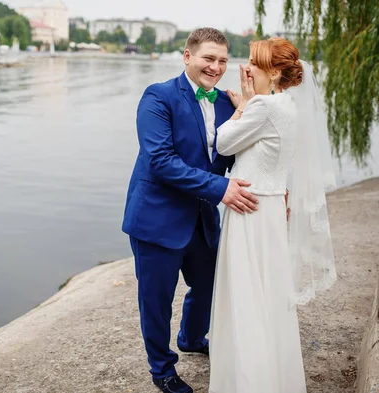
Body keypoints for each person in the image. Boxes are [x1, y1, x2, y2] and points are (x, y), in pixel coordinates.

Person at [122, 27, 259, 393]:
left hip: (202, 219)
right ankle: (162, 370)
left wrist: (272, 187)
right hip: (157, 218)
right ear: (187, 56)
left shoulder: (228, 104)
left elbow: (233, 159)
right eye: (208, 58)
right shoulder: (158, 97)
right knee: (156, 299)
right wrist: (221, 190)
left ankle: (192, 337)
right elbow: (160, 161)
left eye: (222, 61)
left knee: (210, 285)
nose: (215, 67)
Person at [209, 37, 336, 393]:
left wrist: (244, 106)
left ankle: (249, 380)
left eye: (255, 63)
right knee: (266, 295)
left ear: (276, 72)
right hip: (268, 208)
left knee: (247, 295)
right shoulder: (288, 105)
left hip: (250, 211)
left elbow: (223, 144)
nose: (246, 68)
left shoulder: (264, 106)